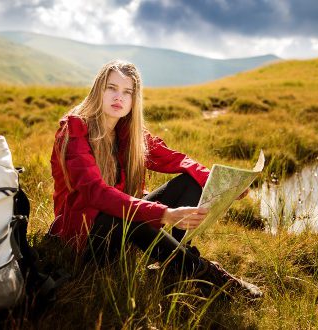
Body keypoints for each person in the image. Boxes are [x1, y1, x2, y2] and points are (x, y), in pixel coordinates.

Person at [48, 60, 262, 299]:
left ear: (134, 100)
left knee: (189, 181)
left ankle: (172, 265)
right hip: (84, 236)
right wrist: (164, 214)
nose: (119, 97)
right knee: (125, 215)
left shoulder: (127, 131)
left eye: (127, 92)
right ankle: (204, 274)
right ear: (98, 89)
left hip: (121, 227)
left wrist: (224, 182)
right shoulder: (74, 130)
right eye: (112, 88)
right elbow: (94, 193)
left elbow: (174, 159)